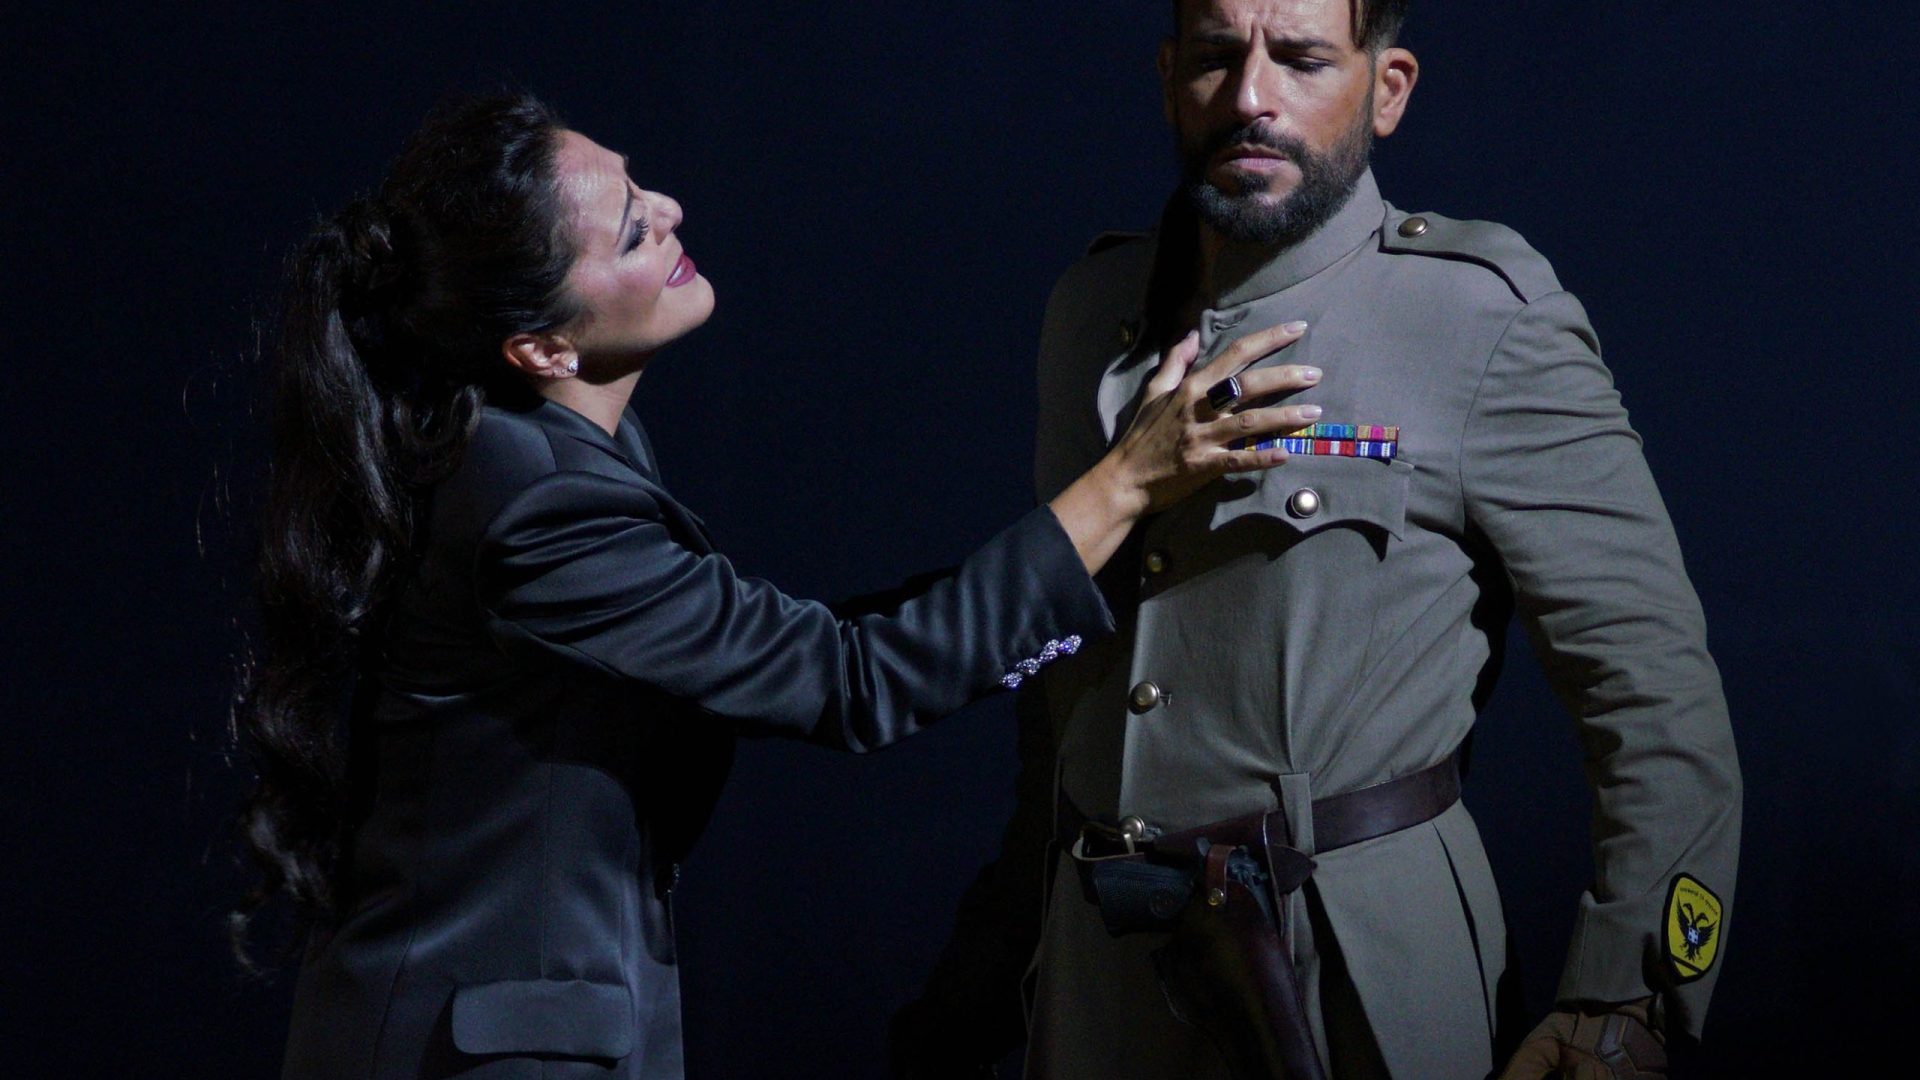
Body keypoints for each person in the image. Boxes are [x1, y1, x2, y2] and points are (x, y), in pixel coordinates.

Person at [229, 93, 1325, 1080]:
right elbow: (846, 683)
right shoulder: (534, 509)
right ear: (542, 347)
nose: (671, 208)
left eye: (639, 181)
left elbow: (784, 641)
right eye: (629, 227)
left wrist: (1096, 560)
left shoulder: (528, 457)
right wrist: (1127, 481)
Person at [894, 2, 1741, 1078]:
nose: (1251, 98)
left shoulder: (1482, 318)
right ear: (1166, 77)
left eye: (1299, 59)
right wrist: (986, 977)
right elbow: (1063, 699)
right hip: (1101, 988)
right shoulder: (1091, 310)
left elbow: (1655, 695)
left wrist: (1627, 1002)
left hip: (1354, 984)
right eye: (1213, 58)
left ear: (1387, 91)